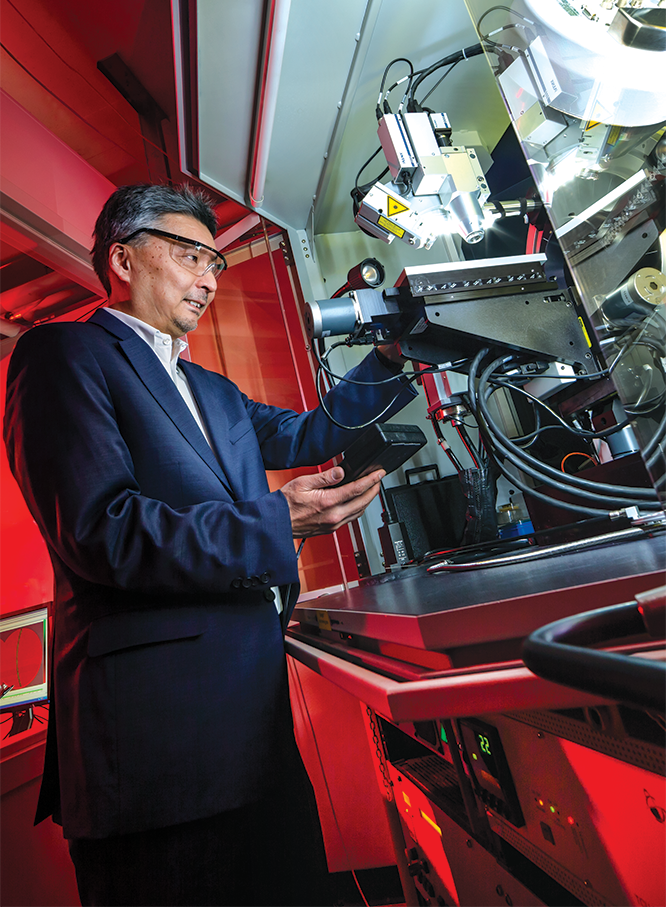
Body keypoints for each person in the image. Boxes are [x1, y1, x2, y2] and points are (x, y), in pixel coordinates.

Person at [3, 183, 416, 907]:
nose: (207, 277)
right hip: (155, 750)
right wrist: (274, 522)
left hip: (253, 727)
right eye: (191, 254)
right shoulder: (62, 354)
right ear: (124, 257)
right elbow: (103, 532)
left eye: (216, 263)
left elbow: (310, 433)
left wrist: (387, 354)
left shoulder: (212, 390)